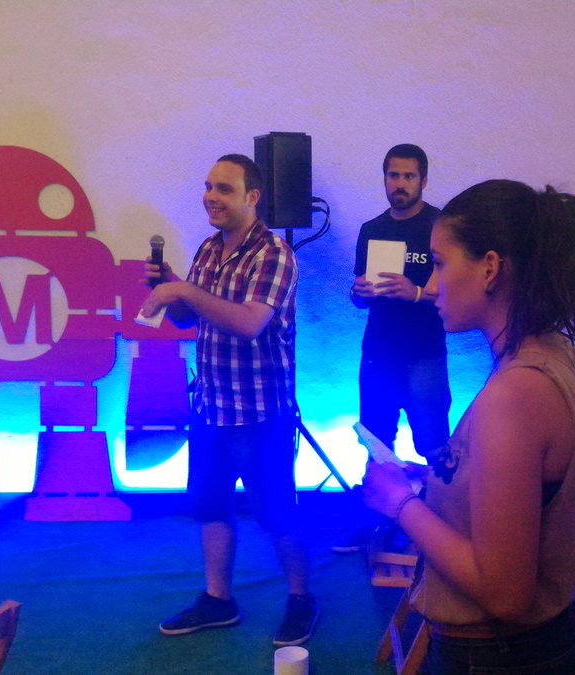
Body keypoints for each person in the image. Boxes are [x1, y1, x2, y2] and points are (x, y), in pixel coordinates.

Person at [362, 179, 575, 673]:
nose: (432, 285)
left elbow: (504, 593)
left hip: (497, 656)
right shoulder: (563, 356)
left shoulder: (515, 394)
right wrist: (439, 478)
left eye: (440, 263)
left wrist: (400, 503)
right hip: (546, 642)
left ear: (490, 269)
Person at [140, 154, 317, 647]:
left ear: (252, 197)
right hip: (211, 408)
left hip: (261, 414)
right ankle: (219, 600)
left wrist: (184, 290)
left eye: (223, 189)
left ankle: (301, 598)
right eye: (207, 187)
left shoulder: (274, 254)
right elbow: (191, 320)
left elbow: (247, 322)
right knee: (210, 507)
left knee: (277, 514)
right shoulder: (208, 249)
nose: (210, 197)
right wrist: (172, 290)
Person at [335, 143, 451, 553]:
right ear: (384, 178)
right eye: (393, 175)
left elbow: (451, 292)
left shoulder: (440, 227)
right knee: (377, 443)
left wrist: (414, 292)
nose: (400, 184)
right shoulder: (372, 229)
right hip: (378, 353)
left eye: (408, 176)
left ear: (423, 180)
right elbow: (359, 299)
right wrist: (358, 292)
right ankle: (377, 526)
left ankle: (441, 530)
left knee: (434, 445)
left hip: (424, 354)